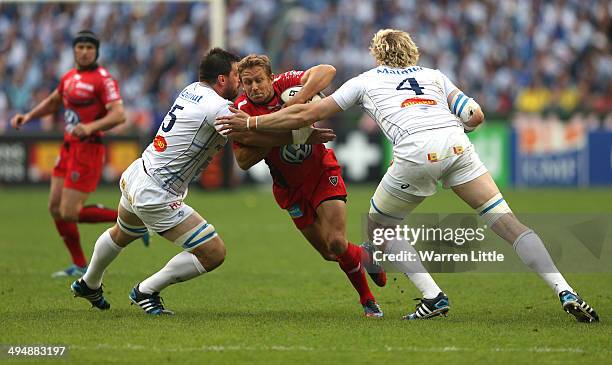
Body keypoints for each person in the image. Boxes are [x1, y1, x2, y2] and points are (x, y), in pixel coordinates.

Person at [216, 29, 600, 323]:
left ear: (377, 53)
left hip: (416, 153)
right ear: (411, 51)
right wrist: (452, 138)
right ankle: (565, 290)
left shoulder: (366, 80)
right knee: (508, 223)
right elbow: (476, 116)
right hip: (456, 144)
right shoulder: (434, 75)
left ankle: (432, 296)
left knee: (379, 226)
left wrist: (251, 121)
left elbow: (305, 116)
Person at [69, 48, 241, 315]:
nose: (240, 82)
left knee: (122, 233)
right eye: (237, 75)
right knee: (213, 252)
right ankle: (146, 290)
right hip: (157, 191)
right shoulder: (216, 106)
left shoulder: (192, 89)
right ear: (221, 79)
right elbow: (249, 133)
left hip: (139, 172)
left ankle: (89, 282)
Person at [229, 54, 386, 317]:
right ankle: (364, 255)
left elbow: (327, 70)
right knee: (328, 253)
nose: (254, 87)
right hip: (289, 189)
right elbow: (243, 160)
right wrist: (290, 128)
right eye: (248, 83)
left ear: (271, 78)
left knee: (336, 242)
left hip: (321, 172)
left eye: (259, 80)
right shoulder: (241, 110)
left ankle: (367, 299)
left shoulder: (285, 83)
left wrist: (295, 105)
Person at [9, 30, 143, 278]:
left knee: (69, 212)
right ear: (73, 51)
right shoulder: (70, 77)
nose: (83, 51)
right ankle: (80, 264)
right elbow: (54, 101)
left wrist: (91, 126)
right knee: (55, 207)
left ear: (96, 51)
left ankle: (134, 220)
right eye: (79, 47)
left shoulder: (103, 79)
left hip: (88, 148)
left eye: (88, 48)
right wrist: (28, 116)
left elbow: (119, 114)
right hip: (69, 147)